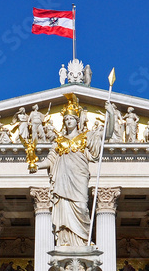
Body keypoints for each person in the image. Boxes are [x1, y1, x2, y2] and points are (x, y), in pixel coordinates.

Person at [31, 94, 101, 247]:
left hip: (79, 179)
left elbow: (100, 145)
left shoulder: (85, 137)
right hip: (63, 182)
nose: (69, 121)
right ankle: (65, 241)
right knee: (63, 210)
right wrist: (36, 165)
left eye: (72, 119)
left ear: (77, 121)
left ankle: (83, 241)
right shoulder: (59, 141)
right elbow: (51, 160)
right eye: (66, 119)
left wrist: (111, 116)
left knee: (82, 207)